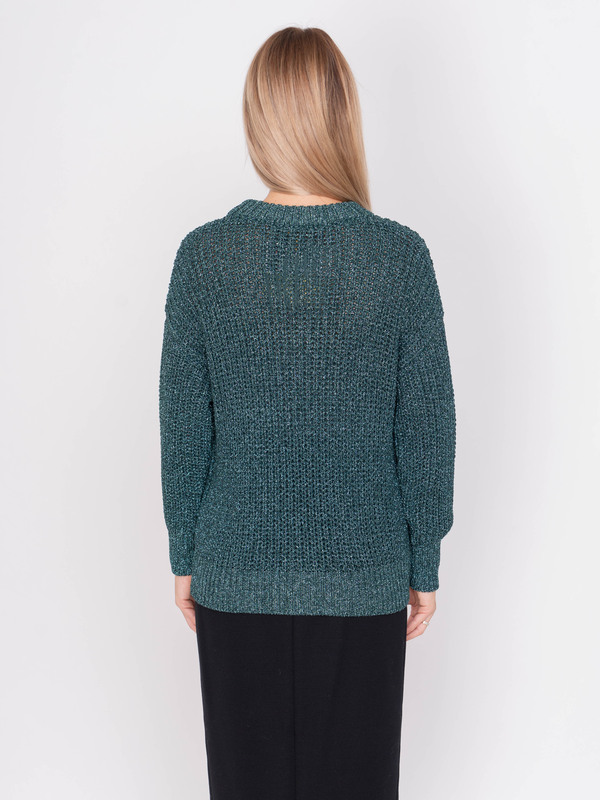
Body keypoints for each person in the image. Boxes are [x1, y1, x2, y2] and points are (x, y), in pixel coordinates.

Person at [159, 25, 456, 800]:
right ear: (341, 115)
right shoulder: (399, 258)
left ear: (258, 118)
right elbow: (427, 427)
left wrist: (186, 553)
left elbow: (185, 428)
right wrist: (423, 560)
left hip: (234, 575)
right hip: (364, 576)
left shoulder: (204, 258)